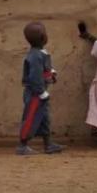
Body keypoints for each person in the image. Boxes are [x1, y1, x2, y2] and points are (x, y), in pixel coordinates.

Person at [17, 22, 65, 156]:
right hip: (35, 94)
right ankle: (22, 145)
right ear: (43, 37)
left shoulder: (40, 53)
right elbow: (35, 76)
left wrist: (51, 74)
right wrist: (41, 92)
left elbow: (45, 69)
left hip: (40, 92)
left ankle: (48, 144)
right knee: (31, 117)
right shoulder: (35, 56)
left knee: (44, 118)